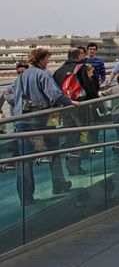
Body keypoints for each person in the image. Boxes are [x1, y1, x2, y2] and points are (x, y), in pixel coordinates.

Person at [13, 49, 79, 205]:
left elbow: (11, 95)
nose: (48, 62)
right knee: (53, 150)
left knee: (24, 159)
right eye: (47, 59)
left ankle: (26, 197)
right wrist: (69, 102)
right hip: (41, 119)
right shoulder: (43, 75)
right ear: (41, 59)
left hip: (21, 120)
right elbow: (55, 95)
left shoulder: (21, 77)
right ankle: (58, 183)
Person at [53, 48, 99, 176]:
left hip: (65, 108)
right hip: (81, 107)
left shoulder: (58, 71)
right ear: (79, 56)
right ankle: (77, 164)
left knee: (70, 136)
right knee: (83, 135)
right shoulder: (81, 68)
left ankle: (70, 166)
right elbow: (89, 88)